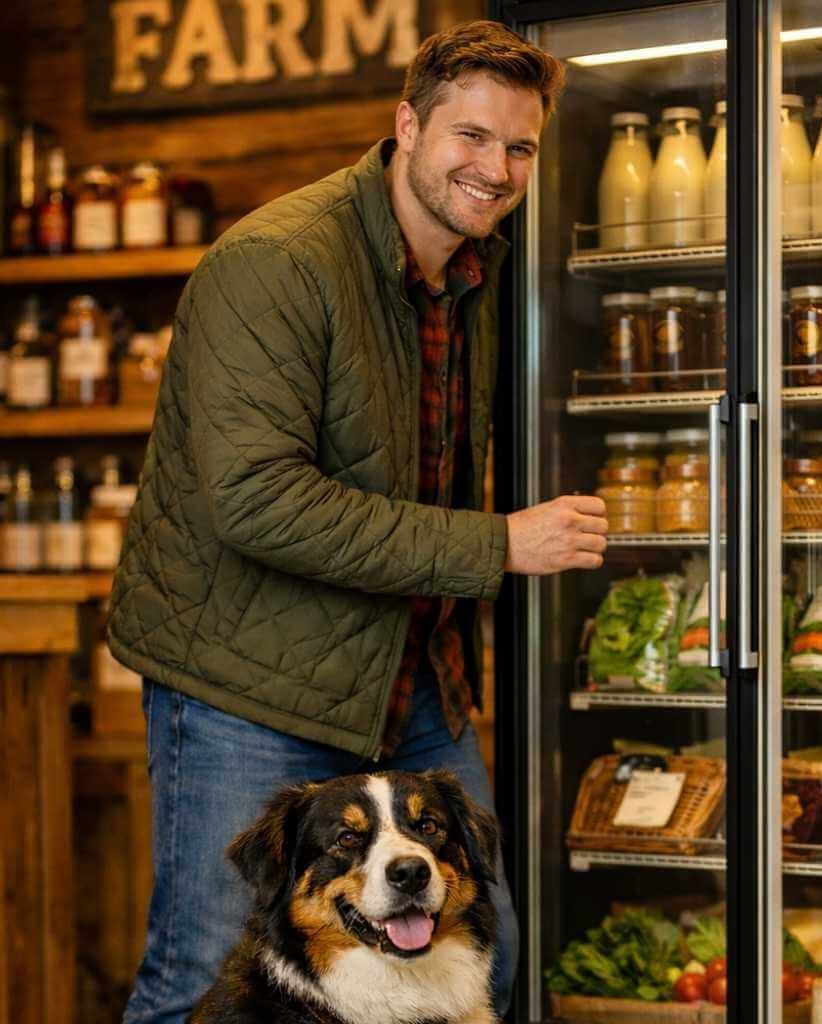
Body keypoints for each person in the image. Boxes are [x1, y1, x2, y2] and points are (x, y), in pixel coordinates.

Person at [109, 19, 608, 1024]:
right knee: (212, 979)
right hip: (245, 681)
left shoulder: (480, 272)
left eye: (518, 146)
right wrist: (497, 544)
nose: (496, 168)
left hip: (410, 677)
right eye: (470, 137)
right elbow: (255, 497)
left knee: (473, 962)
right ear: (407, 125)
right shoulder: (277, 262)